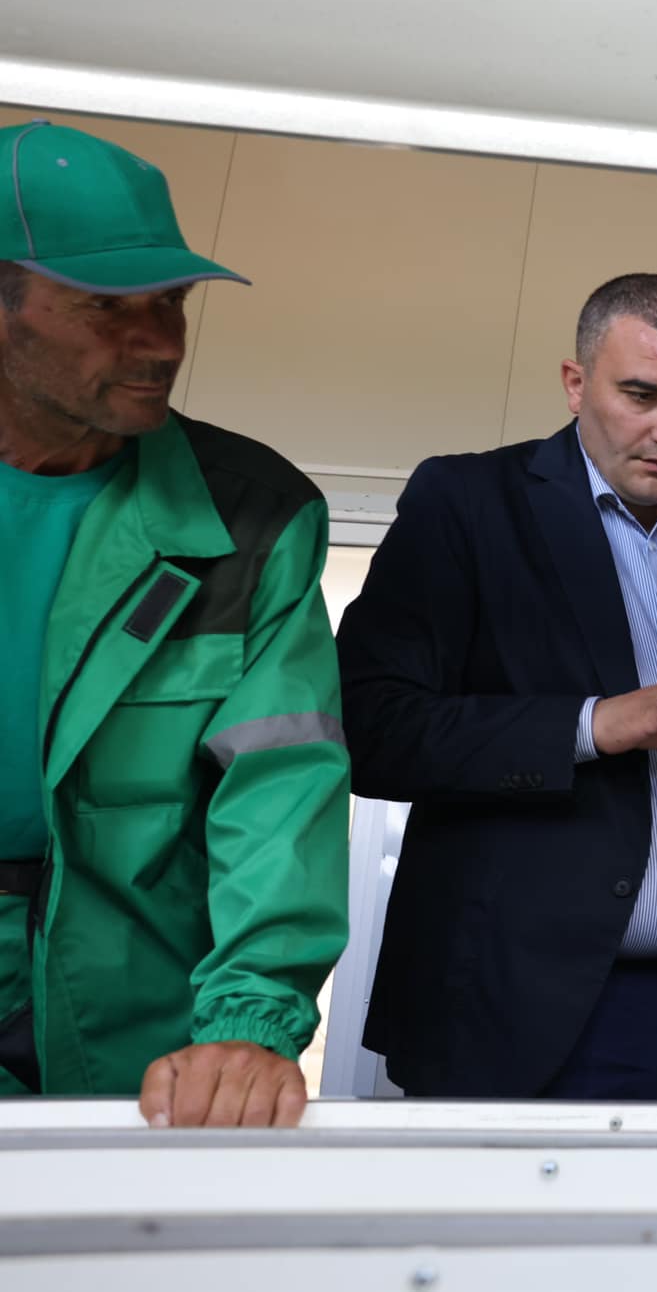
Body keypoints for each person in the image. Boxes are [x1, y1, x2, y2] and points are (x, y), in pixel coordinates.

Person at [337, 274, 657, 1101]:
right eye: (641, 395)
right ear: (575, 384)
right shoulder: (469, 505)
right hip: (524, 1011)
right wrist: (592, 724)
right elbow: (369, 727)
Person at [0, 119, 349, 1126]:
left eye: (172, 301)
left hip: (133, 1031)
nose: (162, 342)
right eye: (108, 308)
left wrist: (251, 1020)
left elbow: (280, 790)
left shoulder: (253, 518)